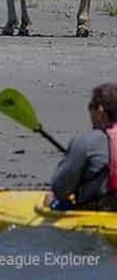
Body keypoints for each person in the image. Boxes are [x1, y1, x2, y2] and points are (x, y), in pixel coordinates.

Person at [48, 82, 117, 210]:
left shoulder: (86, 142)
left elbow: (61, 190)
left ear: (100, 111)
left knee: (52, 200)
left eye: (91, 107)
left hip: (101, 212)